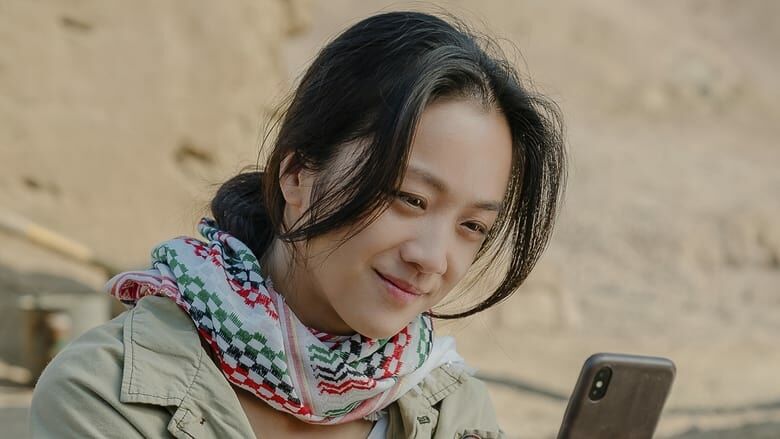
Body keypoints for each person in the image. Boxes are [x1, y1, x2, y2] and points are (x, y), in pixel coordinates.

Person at [29, 10, 565, 439]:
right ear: (297, 175)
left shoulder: (453, 410)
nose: (431, 257)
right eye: (410, 198)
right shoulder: (108, 393)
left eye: (473, 226)